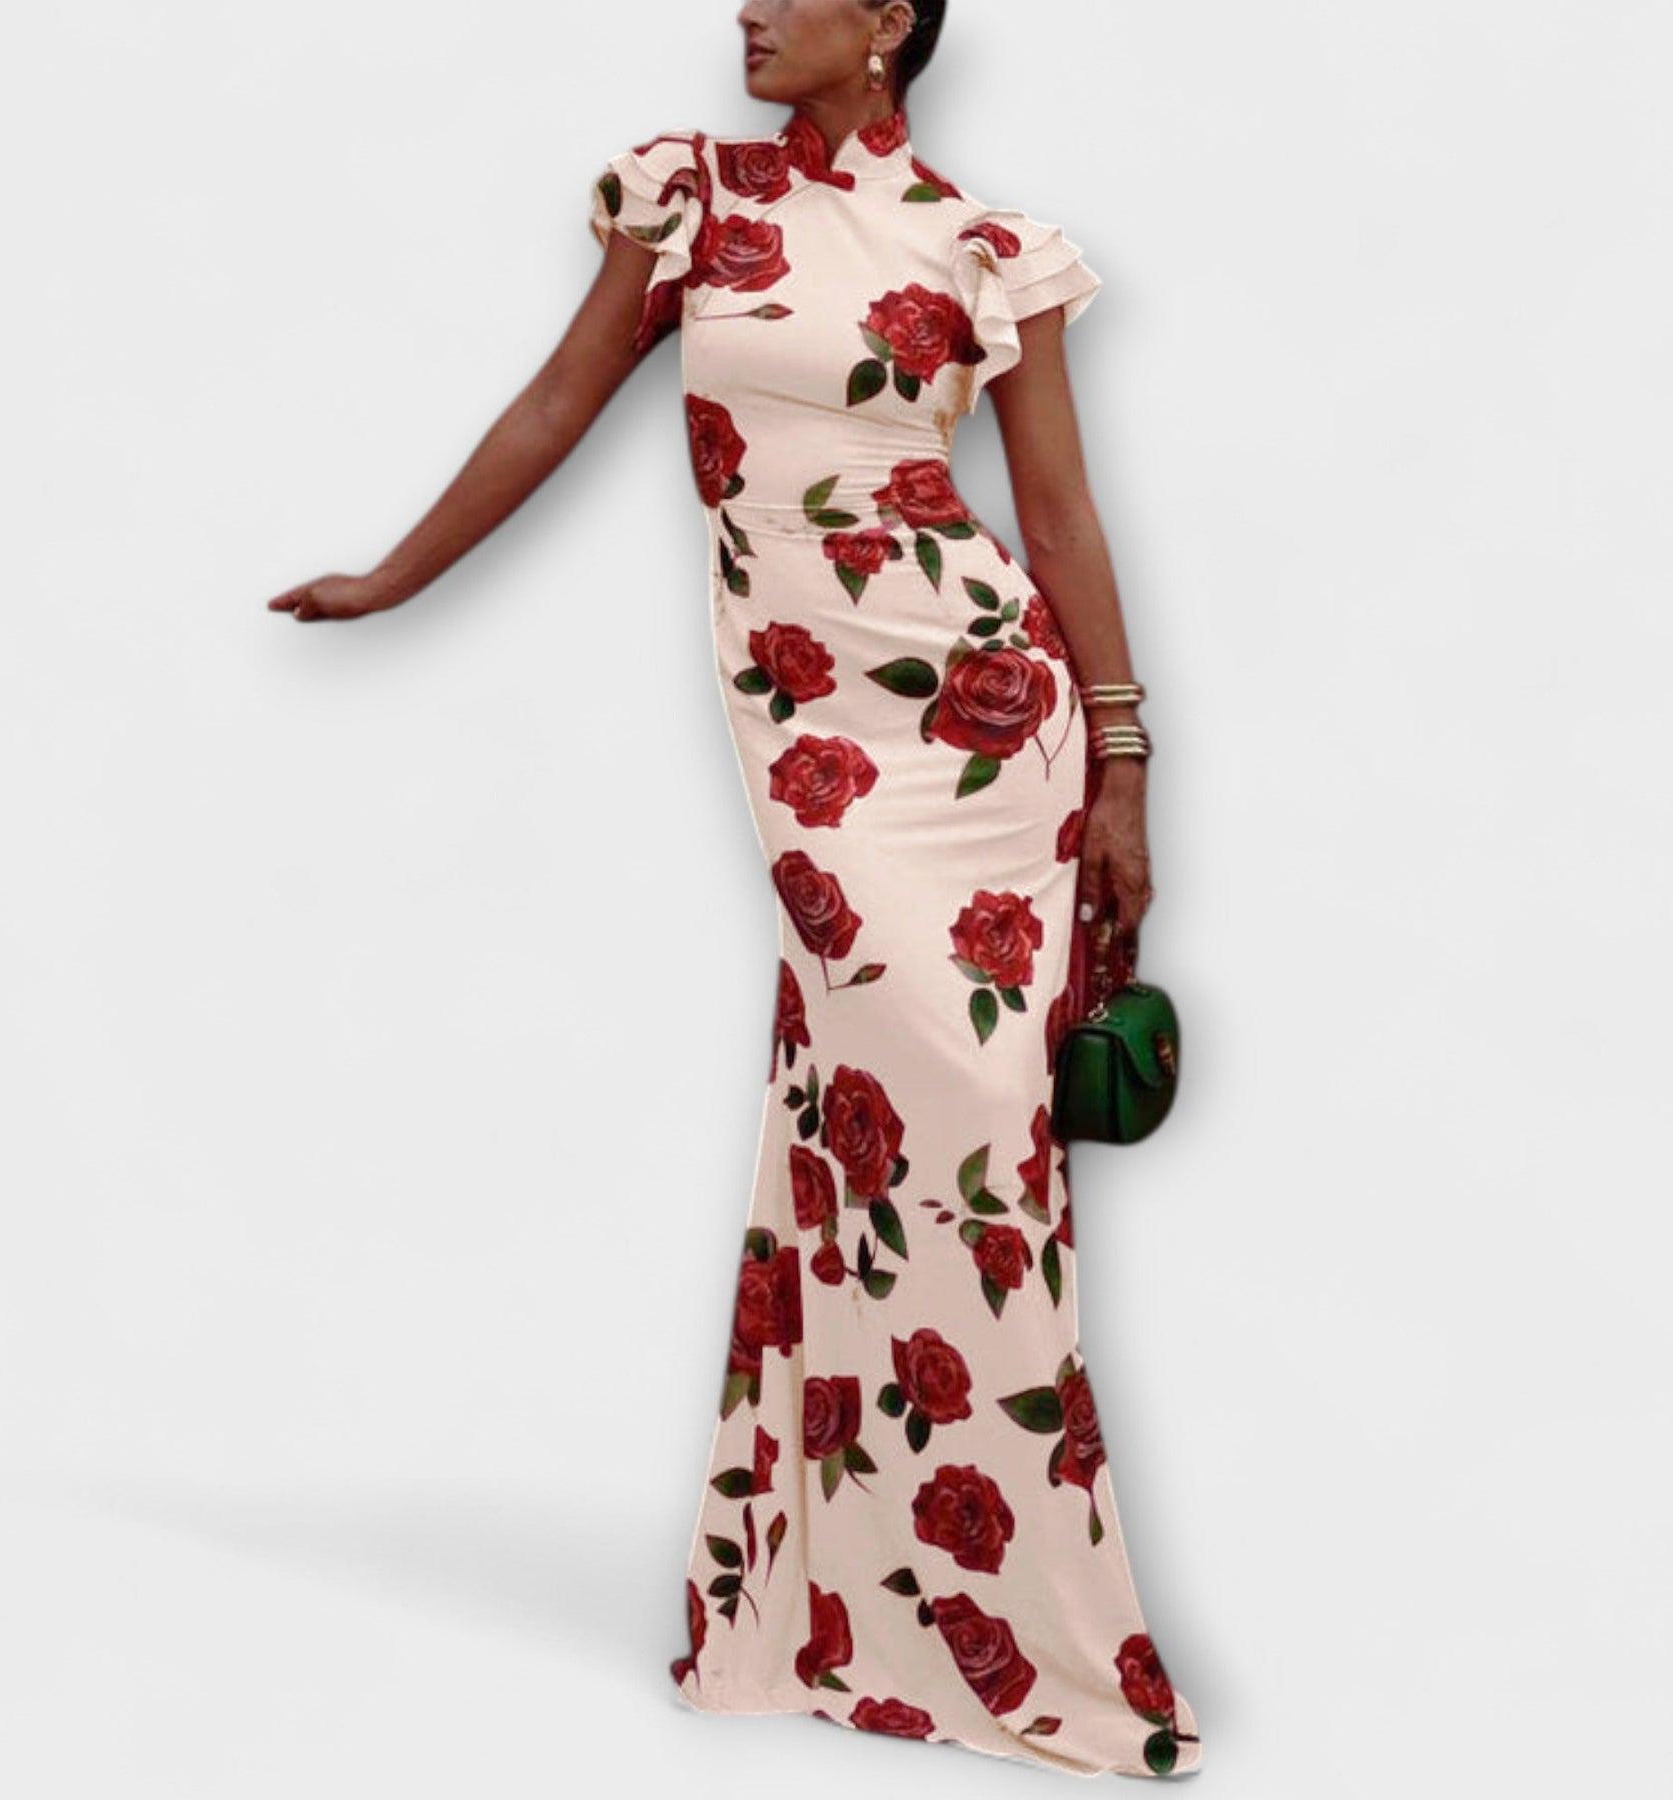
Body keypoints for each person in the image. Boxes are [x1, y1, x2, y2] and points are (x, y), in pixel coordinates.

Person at [269, 0, 1200, 1780]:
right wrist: (394, 578)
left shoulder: (987, 249)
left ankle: (1015, 1616)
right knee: (883, 1115)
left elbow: (1060, 519)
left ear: (891, 24)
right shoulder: (690, 197)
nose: (748, 8)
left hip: (986, 727)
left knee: (973, 1140)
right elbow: (558, 403)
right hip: (816, 742)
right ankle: (841, 1596)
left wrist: (1127, 765)